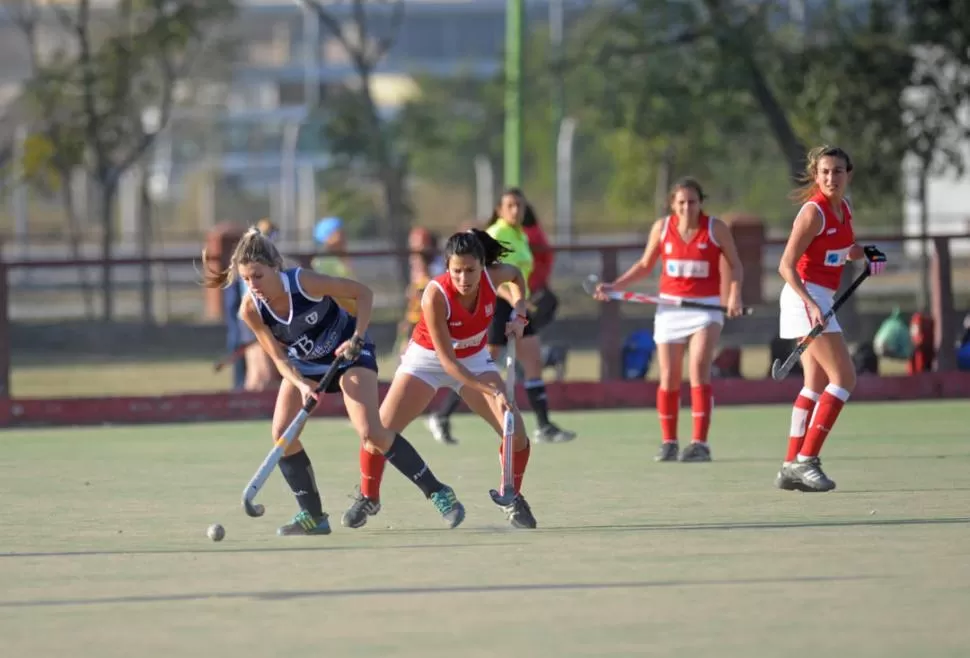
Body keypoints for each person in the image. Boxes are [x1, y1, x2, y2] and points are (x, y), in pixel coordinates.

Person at [203, 227, 465, 535]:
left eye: (257, 276)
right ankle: (313, 516)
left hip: (349, 354)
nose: (252, 286)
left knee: (371, 431)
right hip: (306, 366)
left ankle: (438, 492)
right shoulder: (251, 309)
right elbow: (278, 358)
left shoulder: (303, 282)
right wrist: (301, 384)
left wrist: (356, 337)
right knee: (282, 434)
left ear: (275, 267)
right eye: (246, 279)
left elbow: (363, 293)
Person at [342, 229, 538, 529]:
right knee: (377, 433)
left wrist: (520, 308)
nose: (463, 278)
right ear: (448, 267)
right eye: (456, 271)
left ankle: (511, 497)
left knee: (516, 432)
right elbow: (447, 362)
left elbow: (516, 277)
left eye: (470, 270)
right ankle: (369, 496)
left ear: (483, 266)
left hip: (474, 357)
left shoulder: (493, 277)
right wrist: (491, 388)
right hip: (428, 360)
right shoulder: (435, 294)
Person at [596, 178, 745, 462]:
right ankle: (669, 442)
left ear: (701, 203)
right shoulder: (662, 228)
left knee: (699, 367)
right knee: (669, 376)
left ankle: (700, 443)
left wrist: (734, 294)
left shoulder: (715, 228)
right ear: (672, 204)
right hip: (670, 310)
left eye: (692, 202)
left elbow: (735, 264)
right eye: (681, 203)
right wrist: (614, 286)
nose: (687, 208)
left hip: (706, 309)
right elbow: (644, 265)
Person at [774, 145, 886, 492]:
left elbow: (842, 249)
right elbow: (785, 266)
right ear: (816, 175)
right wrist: (811, 304)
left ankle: (789, 465)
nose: (830, 178)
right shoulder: (813, 213)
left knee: (815, 384)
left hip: (819, 298)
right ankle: (807, 461)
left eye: (837, 171)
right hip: (803, 297)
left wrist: (866, 252)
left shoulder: (844, 209)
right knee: (844, 378)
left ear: (847, 174)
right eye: (824, 172)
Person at [427, 189, 577, 445]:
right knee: (484, 362)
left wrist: (522, 304)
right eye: (510, 205)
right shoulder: (497, 233)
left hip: (519, 307)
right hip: (496, 307)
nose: (516, 210)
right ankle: (442, 415)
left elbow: (518, 274)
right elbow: (489, 278)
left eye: (520, 205)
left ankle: (543, 425)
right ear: (499, 209)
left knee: (533, 362)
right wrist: (516, 303)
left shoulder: (520, 235)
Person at [396, 226, 445, 354]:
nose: (415, 246)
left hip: (430, 317)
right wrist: (406, 319)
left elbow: (436, 287)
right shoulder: (414, 263)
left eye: (419, 242)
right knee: (405, 352)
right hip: (414, 317)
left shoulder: (437, 263)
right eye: (413, 242)